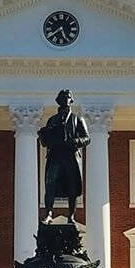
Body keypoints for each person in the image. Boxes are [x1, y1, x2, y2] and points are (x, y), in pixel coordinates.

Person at [39, 89, 89, 221]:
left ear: (71, 100)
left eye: (67, 97)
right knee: (50, 184)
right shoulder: (52, 120)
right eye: (62, 97)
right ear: (58, 100)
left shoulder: (77, 119)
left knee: (72, 186)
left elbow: (87, 138)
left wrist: (75, 141)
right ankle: (49, 213)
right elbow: (45, 142)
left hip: (70, 156)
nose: (65, 99)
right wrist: (44, 135)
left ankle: (71, 216)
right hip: (55, 156)